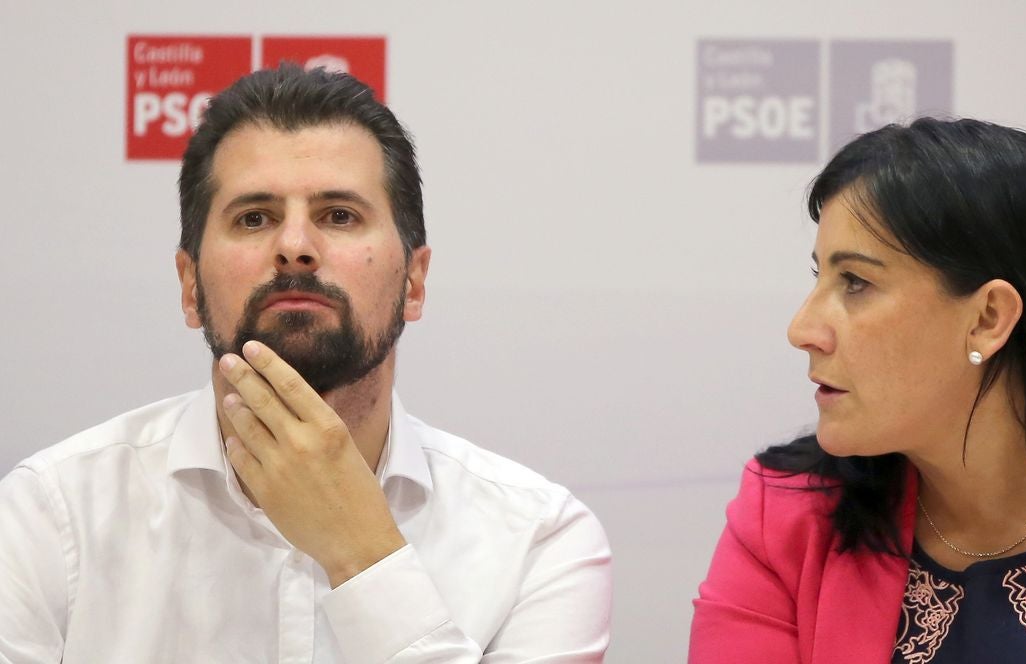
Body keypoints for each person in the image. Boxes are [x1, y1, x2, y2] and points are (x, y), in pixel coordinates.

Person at [0, 65, 611, 662]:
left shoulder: (538, 541)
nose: (294, 246)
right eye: (255, 218)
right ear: (190, 287)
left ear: (414, 282)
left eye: (339, 215)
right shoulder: (49, 516)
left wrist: (359, 551)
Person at [689, 118, 1026, 663]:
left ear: (987, 318)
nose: (802, 330)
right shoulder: (786, 512)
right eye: (819, 278)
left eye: (856, 283)